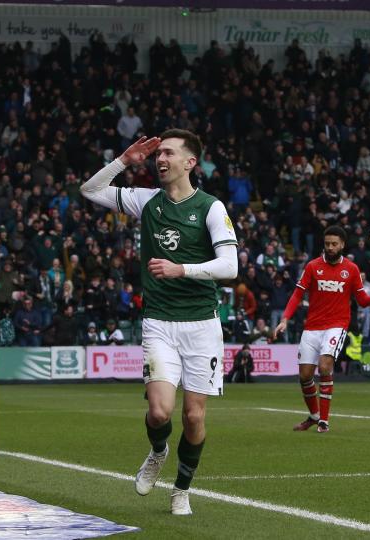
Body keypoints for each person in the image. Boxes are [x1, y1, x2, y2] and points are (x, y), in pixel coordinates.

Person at [82, 131, 237, 515]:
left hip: (202, 325)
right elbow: (90, 189)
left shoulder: (211, 208)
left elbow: (230, 267)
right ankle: (157, 450)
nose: (160, 158)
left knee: (194, 415)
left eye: (169, 152)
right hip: (159, 323)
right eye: (158, 153)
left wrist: (181, 268)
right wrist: (124, 160)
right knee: (159, 413)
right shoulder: (146, 200)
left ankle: (181, 489)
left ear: (190, 163)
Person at [273, 225, 370, 433]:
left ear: (342, 245)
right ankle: (313, 416)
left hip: (337, 326)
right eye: (327, 244)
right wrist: (285, 319)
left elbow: (363, 301)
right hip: (312, 327)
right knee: (304, 375)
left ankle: (324, 420)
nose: (330, 247)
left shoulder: (351, 269)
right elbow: (297, 294)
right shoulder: (312, 266)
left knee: (324, 366)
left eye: (334, 244)